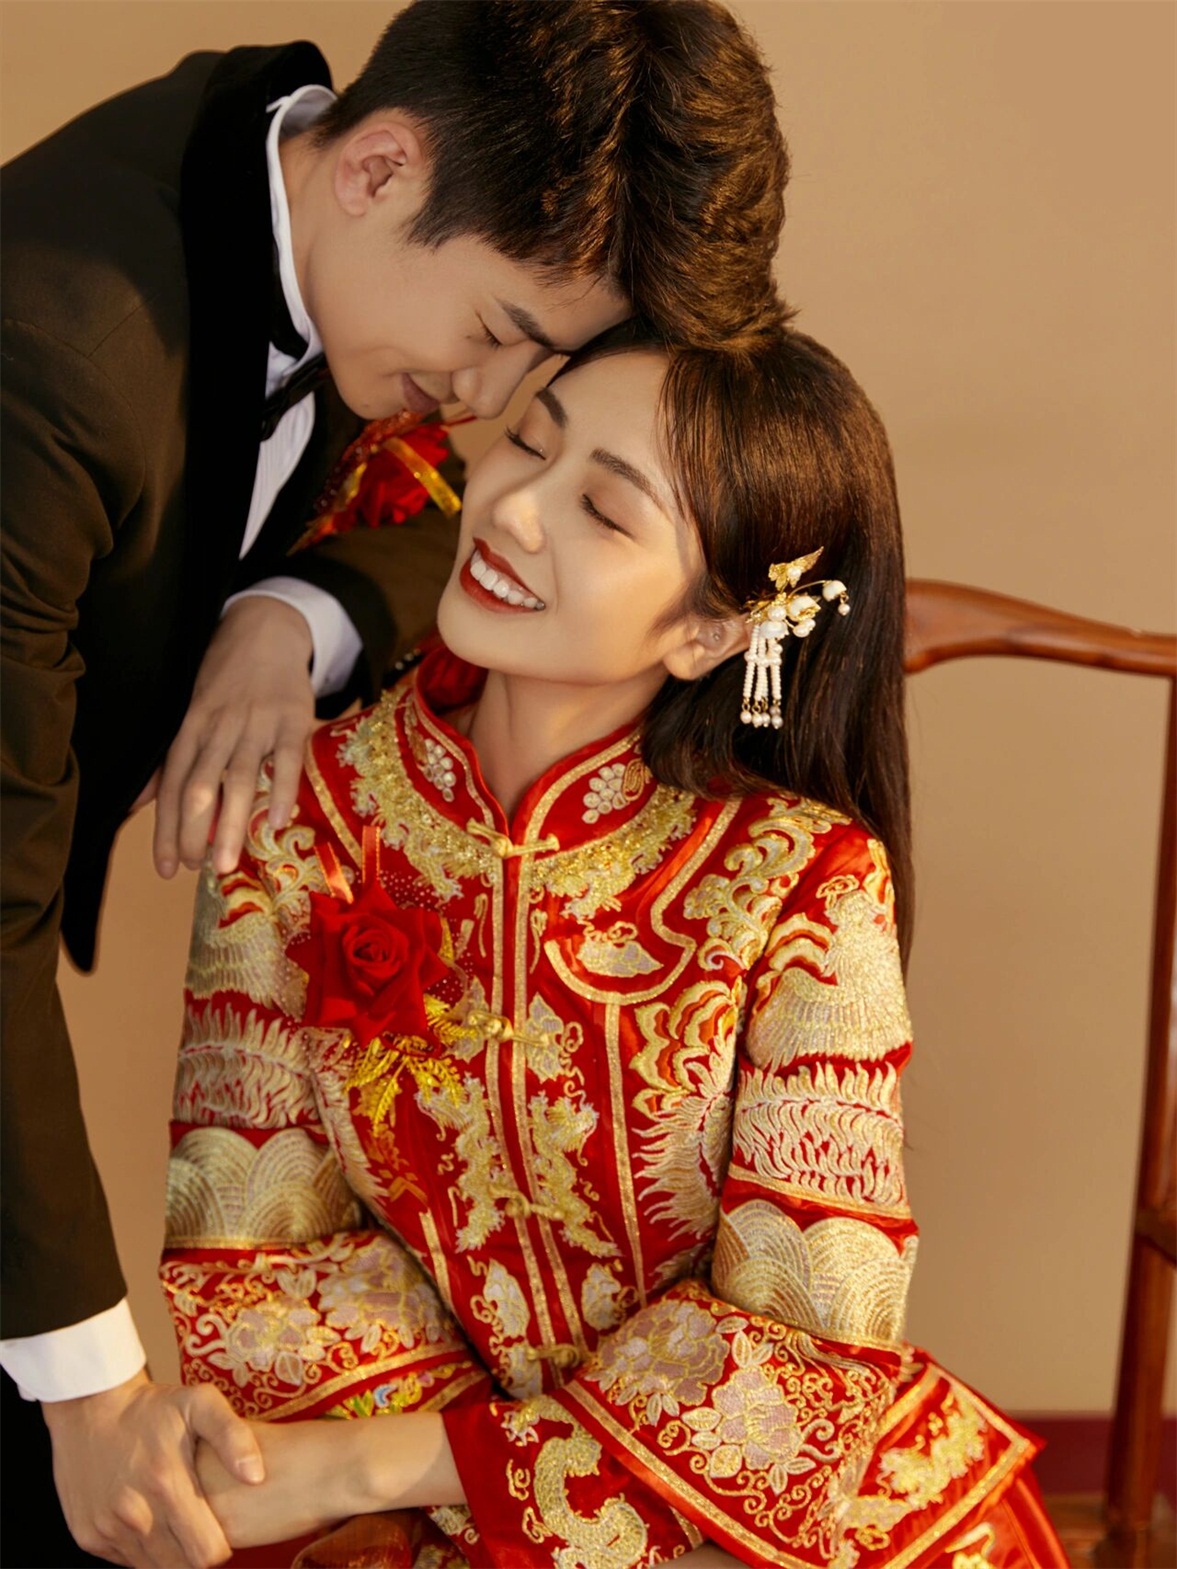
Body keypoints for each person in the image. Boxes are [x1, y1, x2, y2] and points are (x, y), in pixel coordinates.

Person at [0, 4, 789, 1565]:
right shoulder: (50, 360)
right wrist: (88, 1394)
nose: (489, 403)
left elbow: (466, 504)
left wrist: (290, 613)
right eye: (496, 337)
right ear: (377, 169)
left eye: (539, 371)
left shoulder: (289, 164)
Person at [158, 324, 1069, 1568]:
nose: (511, 510)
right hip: (407, 1504)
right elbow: (252, 1244)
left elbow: (800, 1347)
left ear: (709, 632)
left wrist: (407, 1461)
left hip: (752, 1519)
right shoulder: (296, 813)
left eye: (600, 509)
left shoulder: (801, 879)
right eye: (526, 444)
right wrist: (441, 1485)